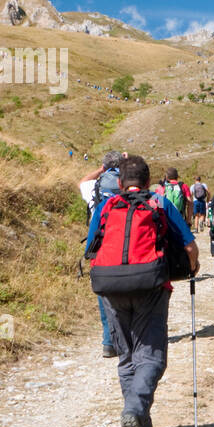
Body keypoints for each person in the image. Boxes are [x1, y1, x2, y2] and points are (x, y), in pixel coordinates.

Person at [87, 155, 198, 427]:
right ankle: (135, 411)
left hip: (109, 286)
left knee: (126, 356)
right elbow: (189, 245)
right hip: (150, 286)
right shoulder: (160, 204)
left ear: (120, 183)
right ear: (149, 182)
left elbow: (90, 248)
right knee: (151, 357)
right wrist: (192, 268)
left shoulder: (106, 206)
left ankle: (139, 425)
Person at [78, 151, 125, 357]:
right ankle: (129, 339)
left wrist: (101, 169)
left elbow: (82, 181)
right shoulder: (127, 183)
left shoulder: (94, 187)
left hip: (101, 247)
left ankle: (109, 342)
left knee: (104, 294)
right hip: (126, 245)